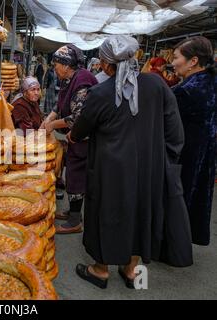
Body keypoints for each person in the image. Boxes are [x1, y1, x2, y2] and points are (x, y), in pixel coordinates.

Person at [69, 35, 193, 289]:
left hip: (108, 169)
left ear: (104, 64)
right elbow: (175, 131)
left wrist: (72, 135)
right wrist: (161, 159)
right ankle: (131, 270)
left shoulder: (100, 93)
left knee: (106, 213)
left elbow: (80, 130)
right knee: (140, 212)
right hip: (148, 167)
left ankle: (100, 270)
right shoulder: (157, 86)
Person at [40, 44, 98, 234]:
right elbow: (60, 105)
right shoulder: (68, 79)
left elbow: (78, 117)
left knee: (77, 175)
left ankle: (75, 221)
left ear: (66, 64)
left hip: (85, 138)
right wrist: (49, 118)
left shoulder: (82, 81)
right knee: (72, 173)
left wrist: (51, 126)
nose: (54, 67)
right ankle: (73, 212)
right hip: (76, 137)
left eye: (56, 64)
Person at [171, 36, 217, 246]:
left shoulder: (188, 90)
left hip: (187, 153)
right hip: (207, 150)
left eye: (176, 57)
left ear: (193, 61)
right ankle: (184, 238)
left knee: (180, 196)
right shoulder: (211, 81)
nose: (172, 62)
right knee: (197, 195)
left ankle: (173, 242)